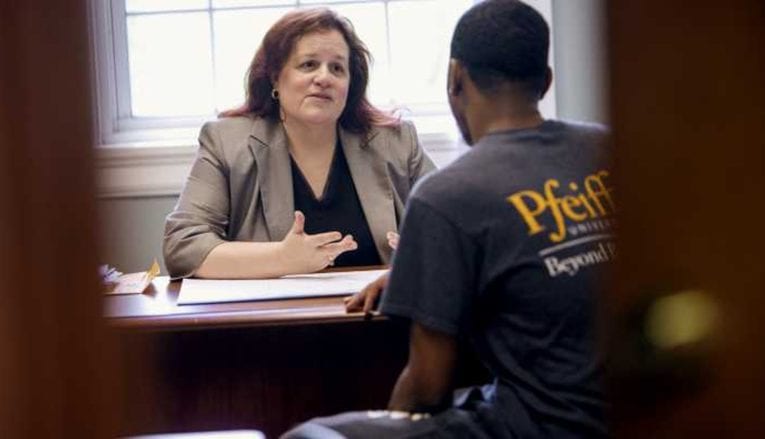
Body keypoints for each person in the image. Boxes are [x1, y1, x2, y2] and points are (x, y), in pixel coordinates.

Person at [284, 0, 613, 437]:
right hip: (643, 413)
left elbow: (427, 389)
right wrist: (425, 273)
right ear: (546, 81)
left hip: (543, 426)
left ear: (454, 77)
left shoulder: (449, 194)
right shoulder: (608, 149)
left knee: (306, 436)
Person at [163, 8, 435, 279]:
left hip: (377, 315)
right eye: (308, 65)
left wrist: (426, 249)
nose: (324, 78)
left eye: (337, 68)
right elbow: (182, 246)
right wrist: (282, 258)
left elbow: (456, 226)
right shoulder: (227, 141)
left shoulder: (396, 141)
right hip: (272, 318)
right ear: (275, 77)